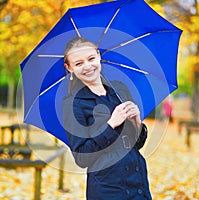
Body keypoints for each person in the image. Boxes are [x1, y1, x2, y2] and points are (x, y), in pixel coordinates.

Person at [62, 37, 152, 200]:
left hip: (137, 180)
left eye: (91, 58)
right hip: (108, 188)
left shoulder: (119, 89)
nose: (87, 66)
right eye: (79, 63)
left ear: (98, 55)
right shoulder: (72, 104)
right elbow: (82, 158)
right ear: (69, 68)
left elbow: (136, 144)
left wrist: (136, 121)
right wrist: (111, 125)